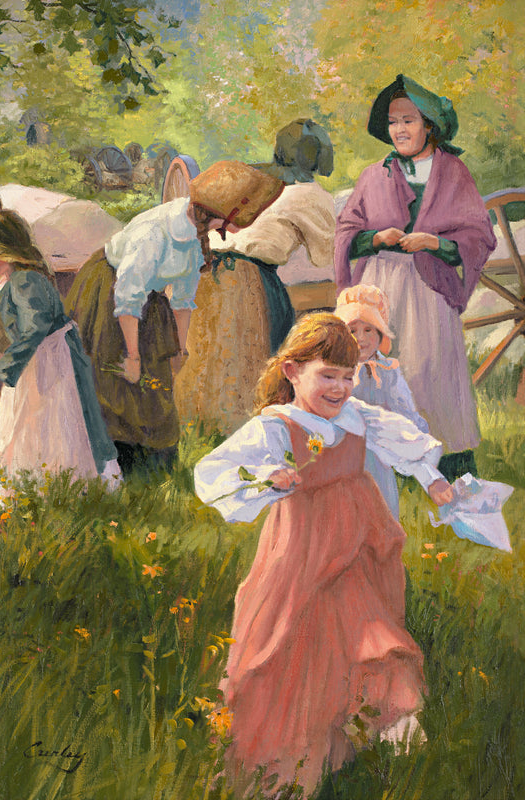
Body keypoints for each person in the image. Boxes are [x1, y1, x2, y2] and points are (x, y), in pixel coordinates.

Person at [194, 313, 453, 796]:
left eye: (347, 376)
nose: (339, 388)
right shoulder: (278, 423)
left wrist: (434, 481)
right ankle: (304, 742)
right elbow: (215, 471)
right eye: (327, 375)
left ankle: (389, 722)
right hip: (305, 546)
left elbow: (403, 443)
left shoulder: (357, 415)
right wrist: (267, 476)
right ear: (292, 372)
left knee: (369, 624)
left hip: (359, 536)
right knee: (298, 632)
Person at [64, 161, 284, 475]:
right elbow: (127, 296)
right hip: (109, 299)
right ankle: (115, 469)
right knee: (116, 382)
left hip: (150, 305)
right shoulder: (155, 232)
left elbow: (182, 299)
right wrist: (133, 355)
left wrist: (180, 350)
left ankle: (156, 472)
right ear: (221, 213)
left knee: (157, 384)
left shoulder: (197, 237)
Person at [334, 74, 497, 482]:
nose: (400, 130)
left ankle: (447, 460)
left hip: (429, 287)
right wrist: (376, 238)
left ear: (429, 125)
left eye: (408, 120)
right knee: (383, 367)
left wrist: (435, 243)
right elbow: (346, 231)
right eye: (393, 122)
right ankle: (385, 460)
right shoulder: (375, 175)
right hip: (381, 287)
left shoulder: (453, 173)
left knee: (429, 366)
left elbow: (478, 235)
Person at [174, 119, 336, 434]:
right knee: (268, 354)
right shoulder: (311, 195)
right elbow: (324, 256)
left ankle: (203, 432)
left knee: (207, 361)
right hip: (247, 281)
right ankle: (251, 433)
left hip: (204, 271)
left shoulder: (251, 179)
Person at [0, 210, 122, 495]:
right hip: (39, 359)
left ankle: (57, 489)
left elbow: (34, 328)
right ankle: (39, 488)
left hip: (48, 363)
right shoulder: (17, 280)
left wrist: (4, 370)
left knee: (49, 424)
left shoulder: (25, 281)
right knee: (35, 426)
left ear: (2, 252)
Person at [334, 283, 428, 518]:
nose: (361, 339)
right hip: (342, 449)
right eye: (352, 331)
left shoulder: (387, 369)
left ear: (380, 333)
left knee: (381, 506)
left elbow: (402, 405)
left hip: (376, 452)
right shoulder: (336, 368)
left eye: (369, 330)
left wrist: (413, 433)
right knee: (344, 509)